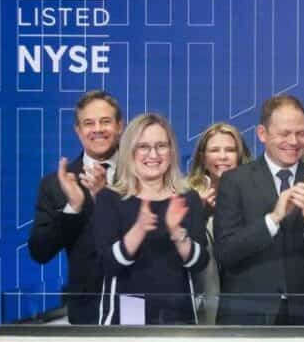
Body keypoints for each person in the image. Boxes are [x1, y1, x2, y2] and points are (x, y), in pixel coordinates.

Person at [213, 94, 304, 325]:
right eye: (284, 133)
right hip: (247, 316)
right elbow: (226, 252)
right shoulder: (234, 181)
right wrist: (272, 220)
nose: (293, 141)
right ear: (262, 134)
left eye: (300, 133)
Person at [92, 113, 209, 325]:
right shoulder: (110, 199)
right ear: (130, 152)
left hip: (178, 310)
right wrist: (138, 229)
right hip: (129, 308)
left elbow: (200, 262)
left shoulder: (187, 198)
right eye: (143, 146)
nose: (153, 154)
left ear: (171, 151)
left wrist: (177, 233)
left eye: (161, 146)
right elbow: (106, 264)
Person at [27, 90, 124, 323]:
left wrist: (106, 199)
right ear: (78, 131)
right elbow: (40, 251)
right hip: (86, 307)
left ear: (120, 126)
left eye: (105, 121)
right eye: (88, 123)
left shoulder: (143, 173)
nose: (97, 129)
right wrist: (74, 207)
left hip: (138, 300)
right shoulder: (56, 183)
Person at [185, 122, 252, 324]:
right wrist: (198, 213)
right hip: (199, 300)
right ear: (203, 158)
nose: (223, 157)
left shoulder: (255, 194)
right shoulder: (184, 194)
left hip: (244, 301)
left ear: (240, 156)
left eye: (230, 150)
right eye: (215, 150)